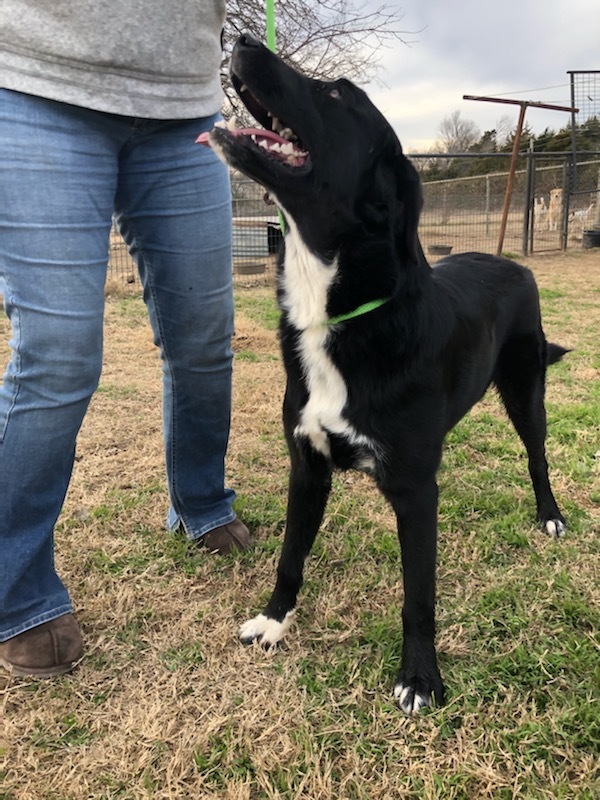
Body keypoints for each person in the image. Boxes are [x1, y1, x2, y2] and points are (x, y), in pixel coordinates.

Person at [0, 0, 251, 679]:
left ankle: (199, 503)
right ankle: (17, 590)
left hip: (184, 104)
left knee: (204, 338)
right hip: (32, 78)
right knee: (58, 350)